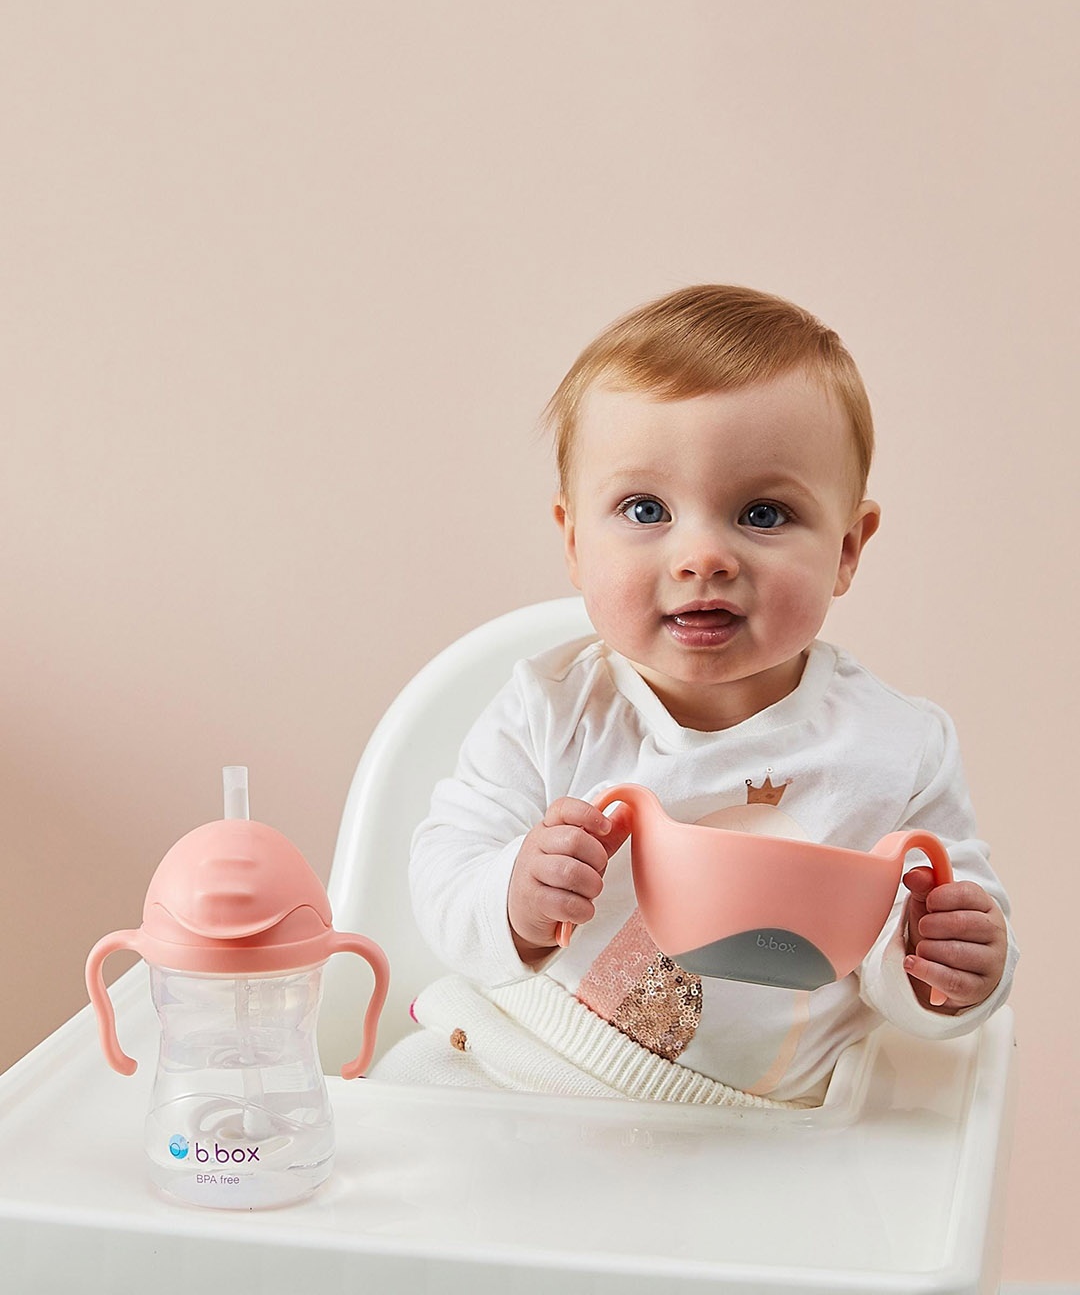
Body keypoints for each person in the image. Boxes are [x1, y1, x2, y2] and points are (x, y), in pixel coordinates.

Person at [373, 285, 1017, 1107]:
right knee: (389, 1123)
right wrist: (514, 893)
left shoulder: (894, 750)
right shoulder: (551, 707)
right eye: (646, 509)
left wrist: (953, 967)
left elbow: (929, 947)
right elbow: (443, 871)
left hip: (750, 1135)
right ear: (573, 540)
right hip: (516, 1058)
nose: (703, 555)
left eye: (763, 512)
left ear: (848, 548)